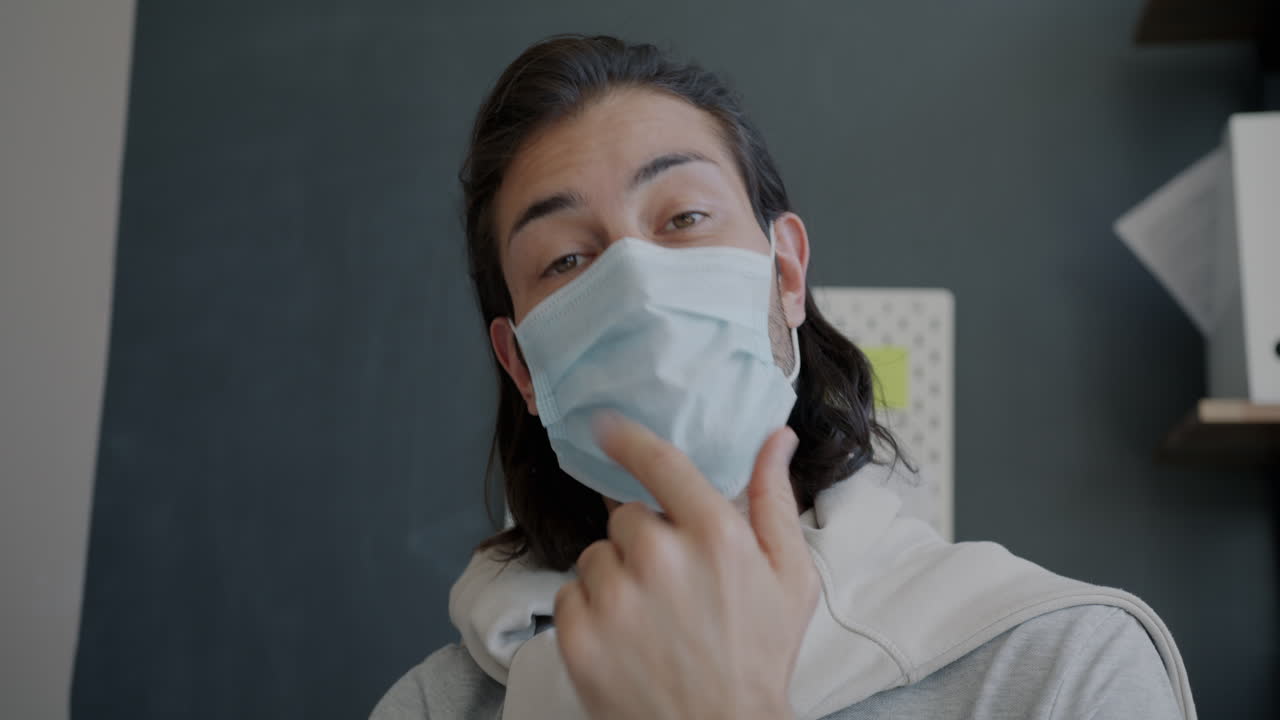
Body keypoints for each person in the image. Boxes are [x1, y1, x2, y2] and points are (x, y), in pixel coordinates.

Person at [371, 34, 1196, 720]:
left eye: (684, 217)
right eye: (565, 260)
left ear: (786, 273)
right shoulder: (433, 709)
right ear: (522, 365)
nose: (636, 285)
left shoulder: (1060, 664)